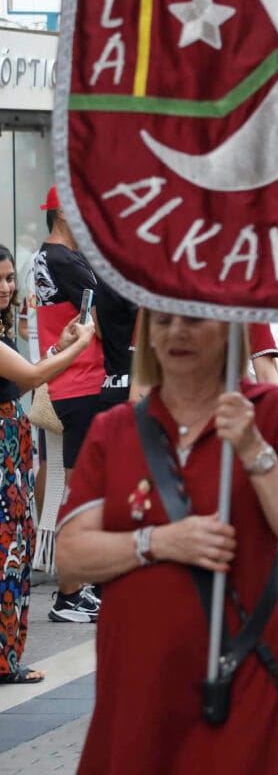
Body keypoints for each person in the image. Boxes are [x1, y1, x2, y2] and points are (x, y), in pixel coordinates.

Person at [54, 312, 278, 772]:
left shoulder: (277, 413)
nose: (176, 332)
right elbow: (71, 560)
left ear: (230, 329)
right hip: (138, 667)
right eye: (162, 321)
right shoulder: (115, 429)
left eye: (194, 320)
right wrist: (158, 541)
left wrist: (254, 451)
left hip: (237, 668)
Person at [0, 243, 95, 685]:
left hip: (12, 452)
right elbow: (35, 377)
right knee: (7, 553)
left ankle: (7, 658)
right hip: (5, 456)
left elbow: (23, 378)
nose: (6, 288)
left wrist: (62, 343)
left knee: (15, 549)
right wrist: (81, 346)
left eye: (8, 279)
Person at [32, 185, 106, 623]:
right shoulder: (65, 260)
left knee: (82, 489)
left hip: (70, 383)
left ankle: (82, 584)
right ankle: (69, 593)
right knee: (81, 493)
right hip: (82, 382)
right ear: (62, 213)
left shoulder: (48, 257)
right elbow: (100, 315)